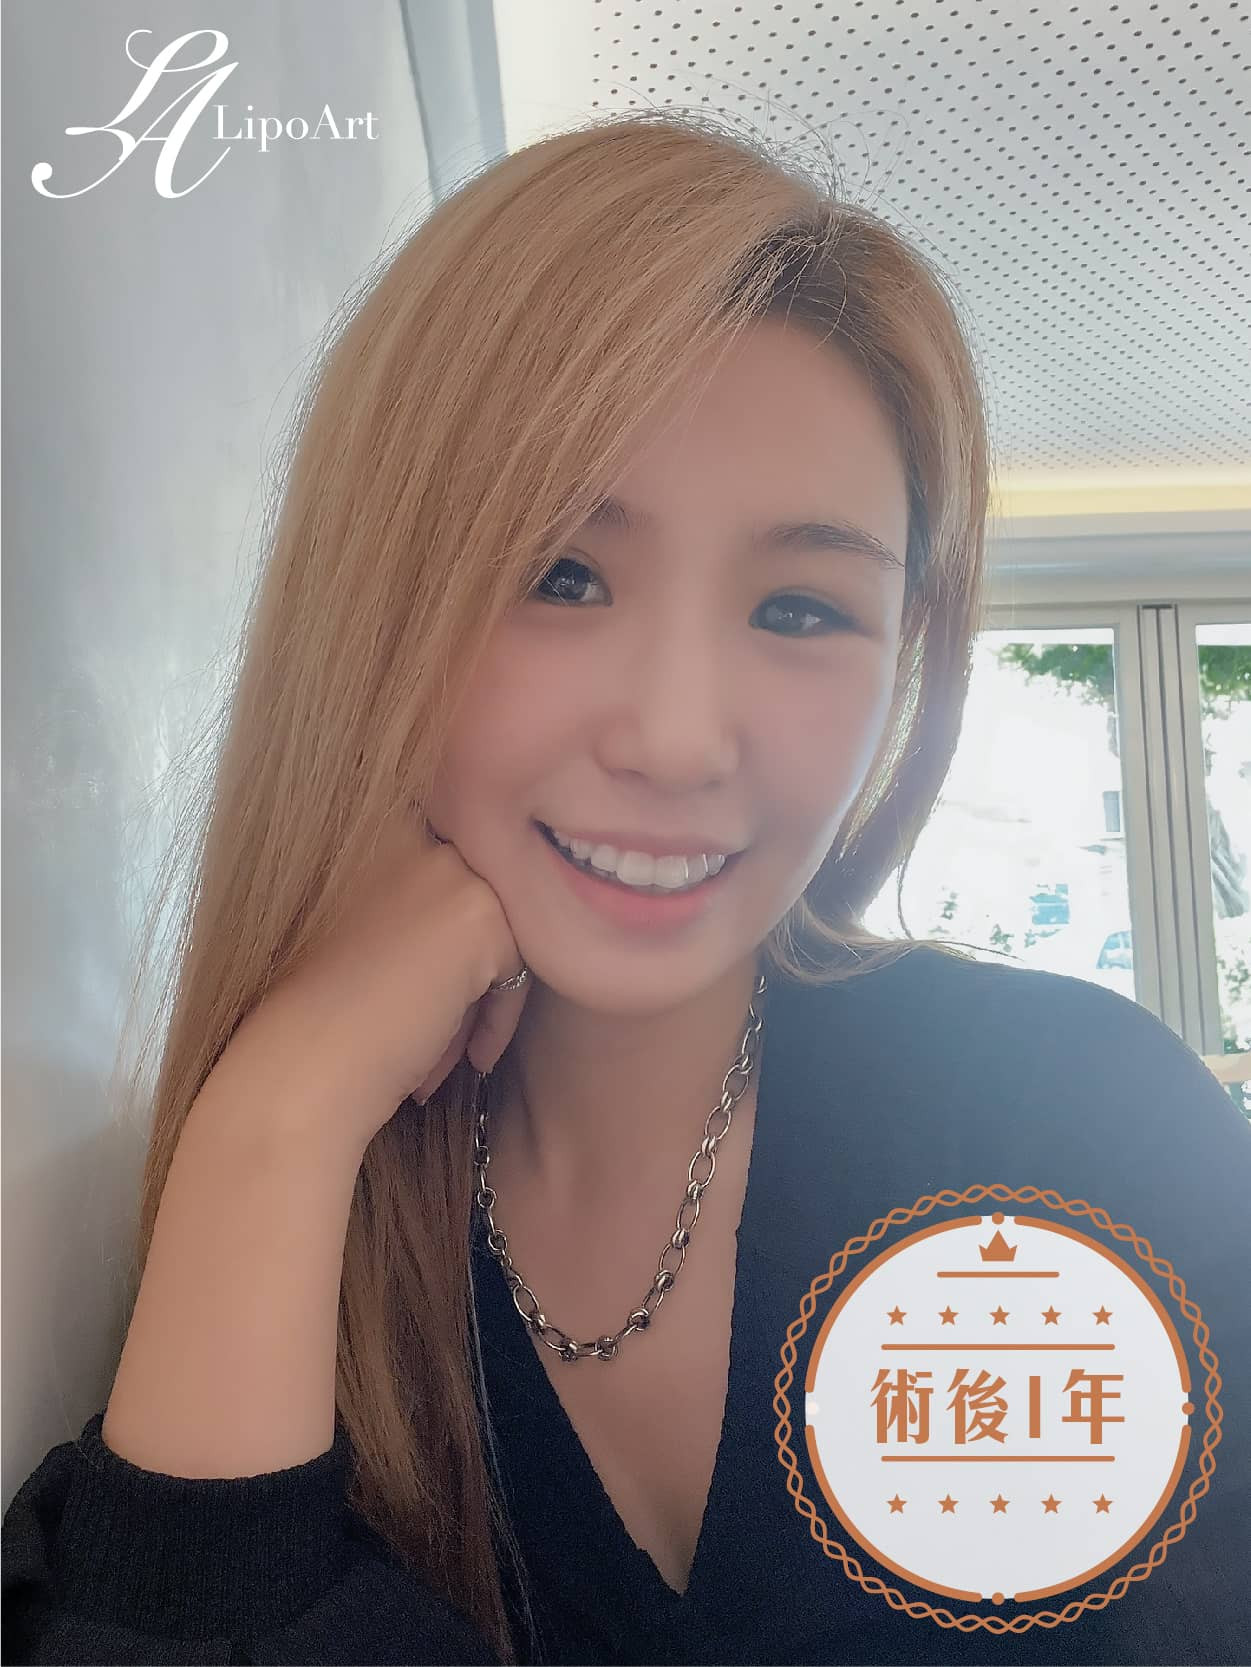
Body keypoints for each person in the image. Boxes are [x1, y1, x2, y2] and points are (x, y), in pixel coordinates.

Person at [3, 107, 1248, 1667]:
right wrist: (278, 1120)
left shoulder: (1072, 1122)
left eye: (801, 609)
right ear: (372, 609)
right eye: (561, 575)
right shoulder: (300, 1233)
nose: (676, 738)